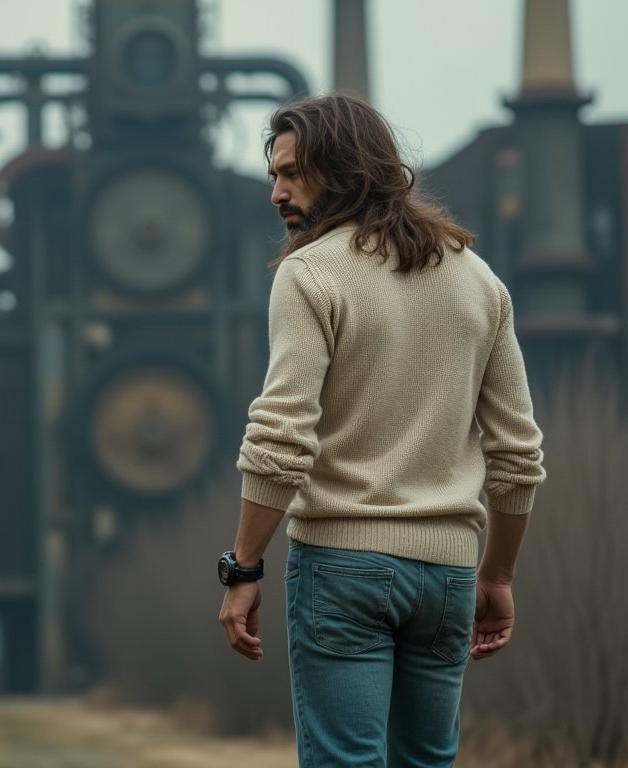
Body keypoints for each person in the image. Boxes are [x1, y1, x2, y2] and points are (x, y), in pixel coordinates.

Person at [216, 93, 546, 767]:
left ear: (344, 167)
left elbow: (280, 439)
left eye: (293, 173)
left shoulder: (310, 276)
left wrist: (242, 567)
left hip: (342, 569)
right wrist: (499, 574)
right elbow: (517, 454)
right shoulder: (479, 283)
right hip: (449, 577)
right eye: (273, 174)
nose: (276, 192)